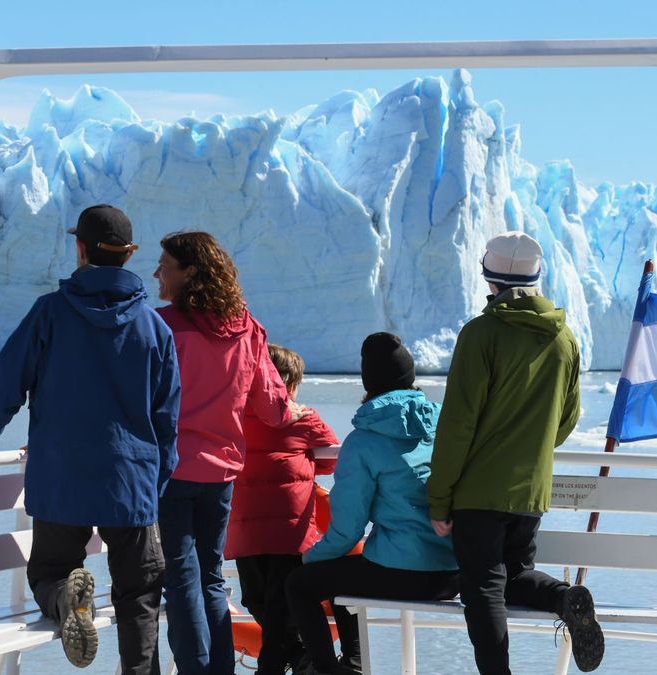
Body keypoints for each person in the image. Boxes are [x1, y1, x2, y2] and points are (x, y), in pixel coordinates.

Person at [0, 204, 179, 674]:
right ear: (130, 253)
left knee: (49, 573)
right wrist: (154, 484)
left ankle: (65, 598)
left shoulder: (51, 313)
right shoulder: (154, 327)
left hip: (61, 477)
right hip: (131, 479)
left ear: (80, 249)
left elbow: (7, 381)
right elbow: (167, 417)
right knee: (139, 595)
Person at [426, 231, 601, 674]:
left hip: (479, 493)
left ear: (489, 277)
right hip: (530, 494)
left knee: (483, 587)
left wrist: (439, 500)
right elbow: (566, 419)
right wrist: (528, 449)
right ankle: (564, 597)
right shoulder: (564, 339)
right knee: (515, 576)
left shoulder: (480, 334)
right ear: (536, 277)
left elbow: (457, 425)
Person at [153, 231, 300, 675]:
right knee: (210, 578)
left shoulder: (162, 327)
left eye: (165, 266)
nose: (157, 273)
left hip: (172, 471)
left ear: (190, 272)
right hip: (220, 476)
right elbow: (273, 409)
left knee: (182, 578)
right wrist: (296, 411)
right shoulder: (247, 329)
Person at [286, 332, 460, 675]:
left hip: (402, 574)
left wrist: (310, 557)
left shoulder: (363, 441)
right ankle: (351, 665)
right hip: (455, 572)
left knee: (301, 583)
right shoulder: (445, 428)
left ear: (369, 382)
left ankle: (331, 670)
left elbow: (347, 530)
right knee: (342, 571)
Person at [225, 343, 355, 675]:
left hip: (247, 530)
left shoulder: (233, 416)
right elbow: (330, 458)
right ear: (291, 384)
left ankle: (280, 664)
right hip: (289, 532)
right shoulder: (302, 417)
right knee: (276, 604)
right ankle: (300, 658)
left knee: (259, 600)